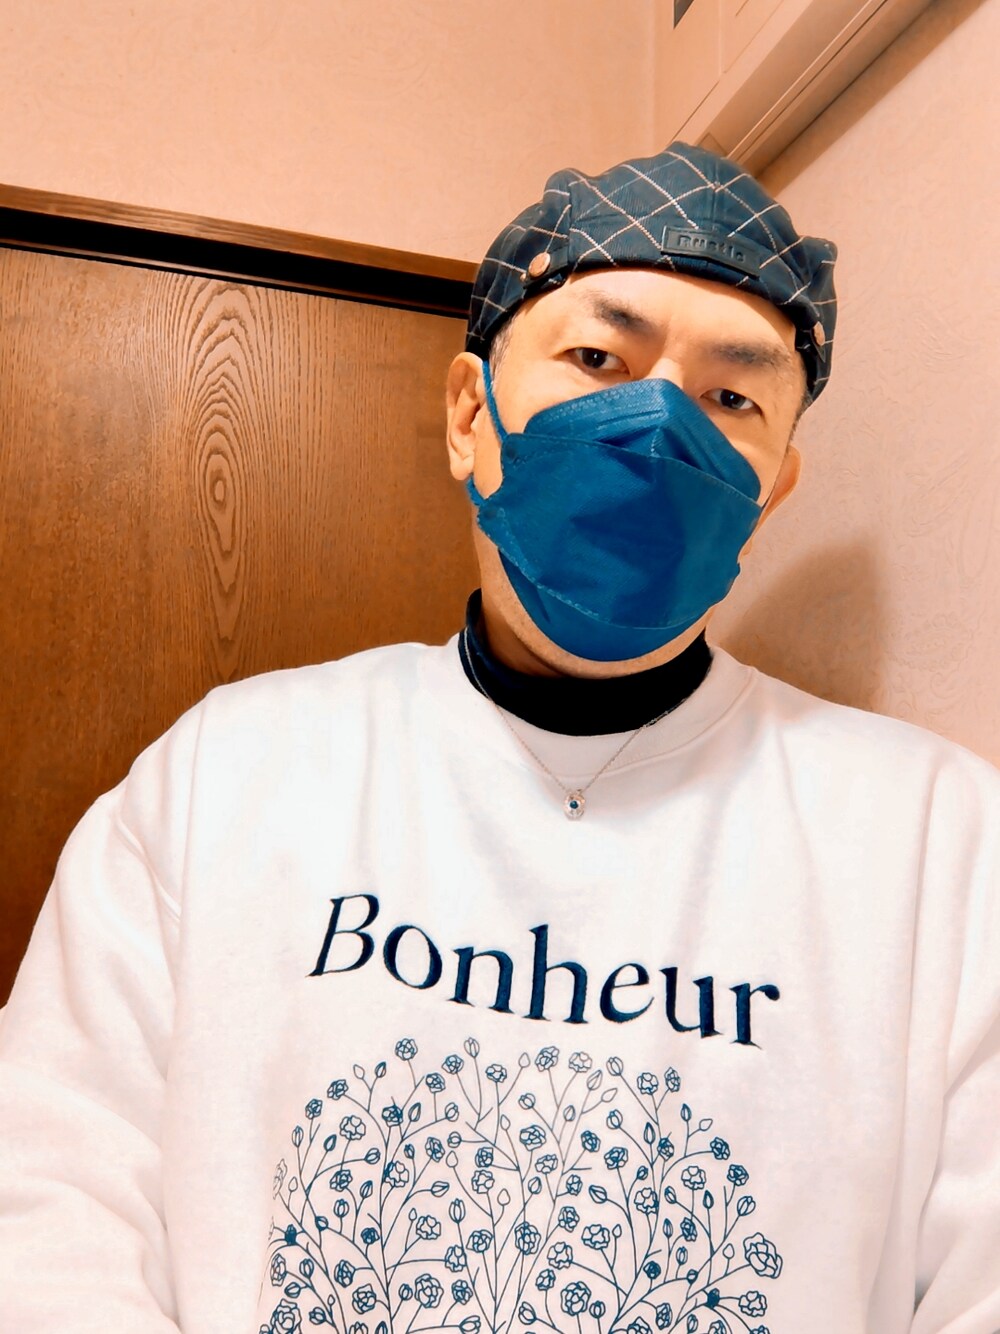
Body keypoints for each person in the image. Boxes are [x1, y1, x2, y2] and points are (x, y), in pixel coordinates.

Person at [0, 143, 996, 1334]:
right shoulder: (224, 774)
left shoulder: (939, 841)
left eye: (732, 398)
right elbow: (46, 1198)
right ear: (471, 415)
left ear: (773, 485)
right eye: (597, 359)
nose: (657, 423)